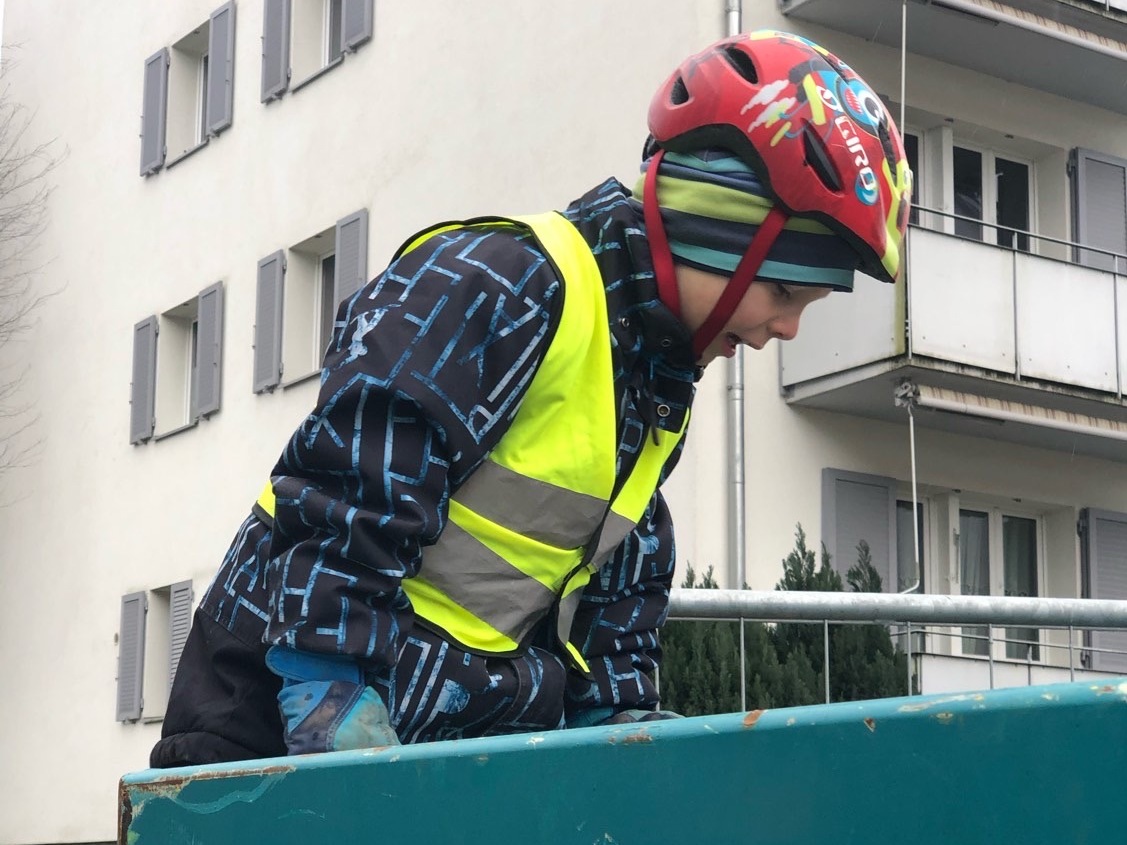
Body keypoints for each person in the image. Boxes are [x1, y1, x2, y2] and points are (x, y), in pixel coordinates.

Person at [151, 29, 911, 766]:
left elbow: (619, 565)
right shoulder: (504, 285)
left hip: (432, 734)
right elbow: (357, 479)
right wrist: (328, 684)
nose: (785, 327)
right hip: (272, 713)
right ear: (714, 231)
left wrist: (618, 719)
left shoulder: (651, 379)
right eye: (782, 291)